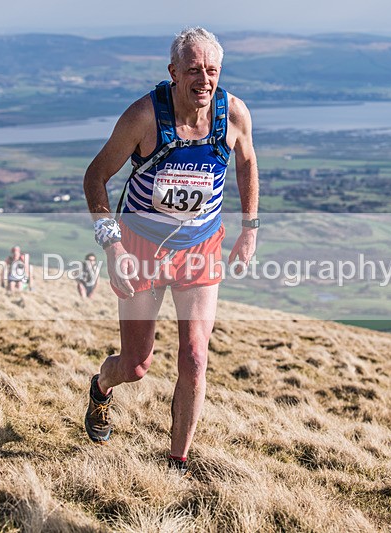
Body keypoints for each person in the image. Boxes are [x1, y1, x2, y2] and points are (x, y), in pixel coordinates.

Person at [82, 27, 259, 474]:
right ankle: (102, 387)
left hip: (200, 247)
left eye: (212, 70)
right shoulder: (144, 116)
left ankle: (176, 462)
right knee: (136, 365)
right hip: (140, 245)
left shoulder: (233, 114)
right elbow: (95, 177)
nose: (205, 80)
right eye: (194, 70)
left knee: (196, 356)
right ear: (173, 73)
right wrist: (112, 246)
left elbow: (248, 162)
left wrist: (250, 228)